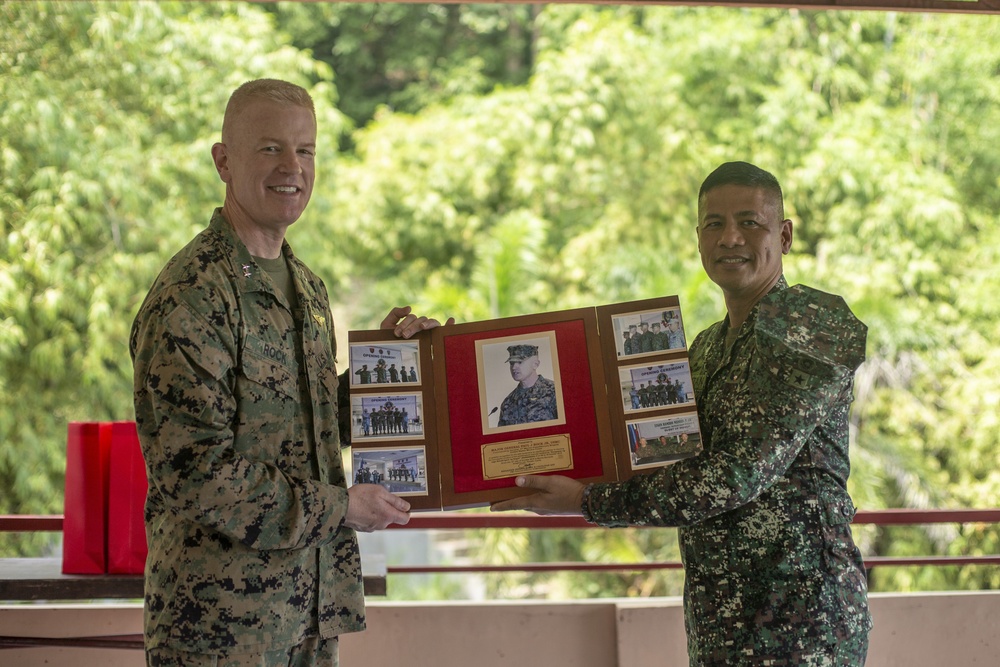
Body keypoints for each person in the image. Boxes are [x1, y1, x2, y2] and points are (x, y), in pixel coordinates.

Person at [492, 161, 872, 665]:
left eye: (749, 222)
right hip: (720, 622)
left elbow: (736, 475)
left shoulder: (811, 325)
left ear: (784, 235)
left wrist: (589, 500)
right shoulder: (706, 349)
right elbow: (642, 445)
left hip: (802, 620)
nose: (730, 237)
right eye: (714, 224)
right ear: (698, 239)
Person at [130, 78, 452, 667]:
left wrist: (392, 372)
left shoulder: (306, 287)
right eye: (271, 148)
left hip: (307, 612)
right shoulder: (192, 296)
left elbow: (310, 425)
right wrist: (340, 507)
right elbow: (195, 473)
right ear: (223, 161)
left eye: (305, 151)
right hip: (220, 631)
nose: (292, 168)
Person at [496, 344, 558, 427]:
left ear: (535, 364)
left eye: (520, 362)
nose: (514, 367)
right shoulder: (508, 402)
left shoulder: (555, 391)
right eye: (511, 363)